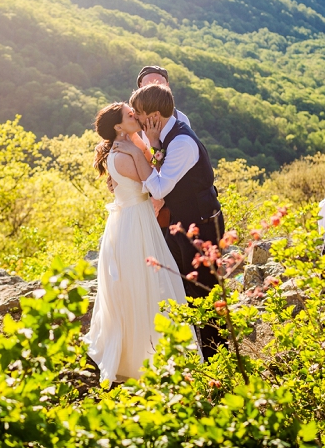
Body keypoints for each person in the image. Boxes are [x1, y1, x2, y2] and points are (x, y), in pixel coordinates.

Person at [116, 83, 224, 359]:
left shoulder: (182, 142)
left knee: (205, 288)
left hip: (201, 224)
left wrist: (142, 158)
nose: (136, 119)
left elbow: (160, 188)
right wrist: (151, 144)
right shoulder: (164, 136)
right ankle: (197, 349)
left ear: (153, 116)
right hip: (181, 221)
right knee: (183, 286)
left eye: (138, 114)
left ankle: (217, 356)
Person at [84, 102, 189, 383]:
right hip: (135, 224)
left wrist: (144, 145)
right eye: (131, 115)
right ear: (118, 127)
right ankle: (142, 357)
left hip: (133, 220)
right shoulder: (125, 152)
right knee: (144, 286)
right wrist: (147, 146)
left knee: (145, 285)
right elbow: (155, 182)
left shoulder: (125, 148)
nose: (136, 116)